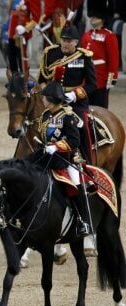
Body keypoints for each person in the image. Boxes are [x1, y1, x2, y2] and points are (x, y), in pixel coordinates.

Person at [31, 81, 90, 237]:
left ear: (51, 99)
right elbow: (41, 135)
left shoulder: (68, 116)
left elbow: (74, 141)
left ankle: (83, 221)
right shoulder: (45, 115)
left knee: (77, 185)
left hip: (66, 158)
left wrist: (57, 146)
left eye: (44, 98)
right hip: (47, 156)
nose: (42, 100)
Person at [38, 25, 97, 164]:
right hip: (52, 99)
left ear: (76, 42)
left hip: (75, 101)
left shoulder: (84, 57)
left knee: (81, 125)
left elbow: (92, 84)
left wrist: (75, 94)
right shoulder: (51, 53)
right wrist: (46, 96)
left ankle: (86, 161)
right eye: (64, 40)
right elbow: (42, 79)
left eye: (69, 41)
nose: (65, 43)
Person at [81, 1, 119, 108]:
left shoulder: (109, 36)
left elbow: (113, 60)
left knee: (100, 109)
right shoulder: (86, 35)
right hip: (87, 80)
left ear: (102, 18)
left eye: (95, 16)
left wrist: (111, 79)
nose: (91, 18)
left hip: (101, 80)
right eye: (91, 16)